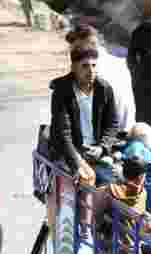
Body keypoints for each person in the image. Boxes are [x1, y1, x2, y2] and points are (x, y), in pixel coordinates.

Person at [49, 47, 120, 187]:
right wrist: (77, 162)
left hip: (96, 151)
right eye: (85, 66)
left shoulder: (104, 89)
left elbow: (112, 124)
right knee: (84, 183)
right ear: (74, 67)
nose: (91, 70)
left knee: (114, 183)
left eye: (94, 65)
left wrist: (102, 147)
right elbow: (63, 132)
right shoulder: (62, 91)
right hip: (70, 152)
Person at [65, 24, 136, 133]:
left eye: (75, 49)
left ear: (90, 44)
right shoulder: (119, 62)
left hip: (108, 135)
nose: (72, 55)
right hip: (128, 127)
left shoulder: (91, 68)